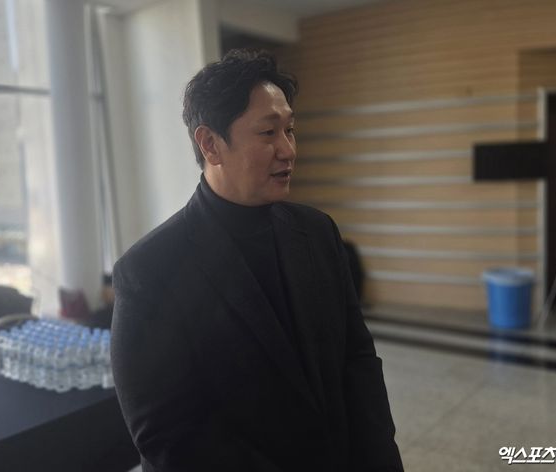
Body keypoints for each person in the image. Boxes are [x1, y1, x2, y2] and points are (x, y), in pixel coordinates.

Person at [111, 49, 404, 472]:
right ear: (210, 144)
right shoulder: (149, 271)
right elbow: (168, 434)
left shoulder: (317, 232)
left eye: (290, 130)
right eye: (268, 133)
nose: (288, 150)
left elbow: (357, 359)